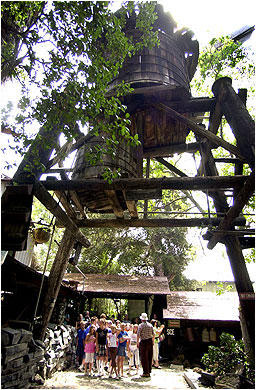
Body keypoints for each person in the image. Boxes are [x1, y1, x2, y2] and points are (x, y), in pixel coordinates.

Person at [137, 312, 154, 378]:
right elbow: (153, 334)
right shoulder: (150, 325)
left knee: (144, 357)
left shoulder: (140, 326)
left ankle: (145, 372)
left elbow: (138, 334)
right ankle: (149, 371)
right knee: (149, 356)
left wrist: (138, 343)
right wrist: (152, 341)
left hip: (143, 342)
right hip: (149, 341)